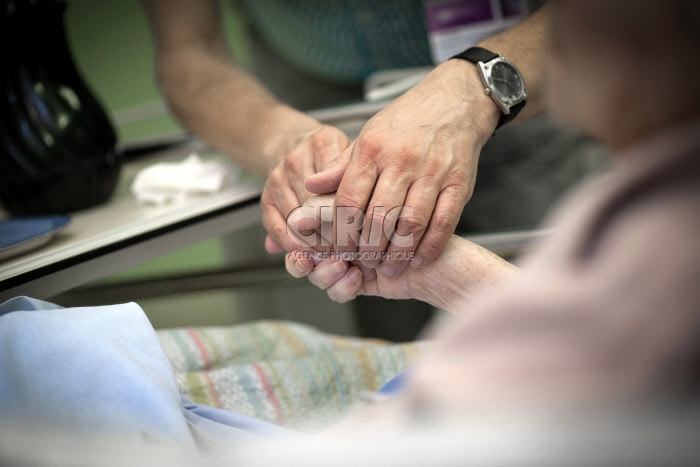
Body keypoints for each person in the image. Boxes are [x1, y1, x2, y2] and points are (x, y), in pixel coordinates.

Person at [1, 0, 699, 463]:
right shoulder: (640, 239)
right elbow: (587, 333)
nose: (559, 24)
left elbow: (593, 366)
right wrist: (447, 271)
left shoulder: (658, 243)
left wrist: (479, 82)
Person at [143, 0, 604, 340]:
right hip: (306, 88)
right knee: (387, 307)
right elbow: (187, 51)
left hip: (522, 72)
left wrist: (474, 85)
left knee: (566, 335)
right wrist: (280, 139)